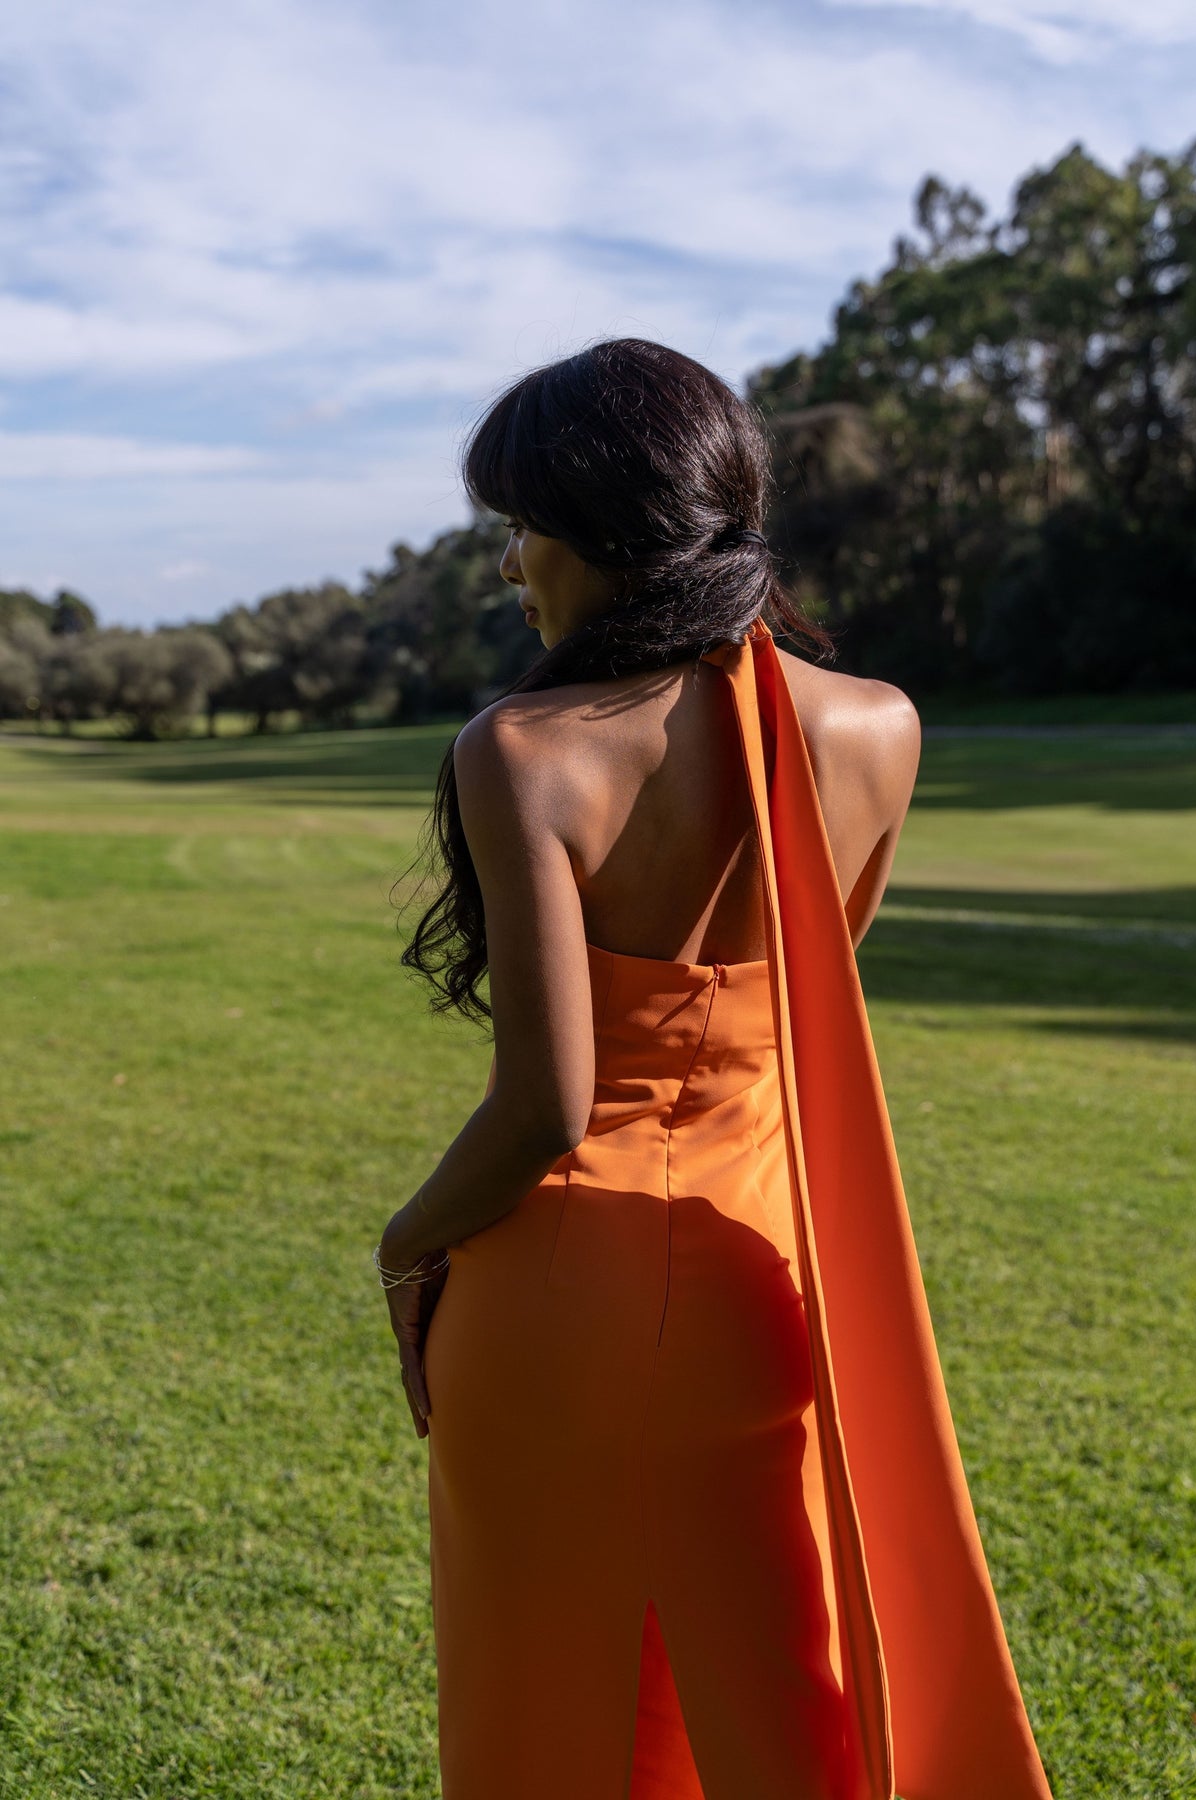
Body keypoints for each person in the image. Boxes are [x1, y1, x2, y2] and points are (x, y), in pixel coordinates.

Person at [375, 339, 1052, 1800]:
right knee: (775, 1704)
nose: (512, 569)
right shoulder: (880, 727)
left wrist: (406, 1243)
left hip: (552, 1296)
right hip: (760, 1276)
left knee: (547, 1705)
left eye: (523, 525)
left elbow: (548, 1104)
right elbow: (807, 996)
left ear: (603, 534)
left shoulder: (528, 750)